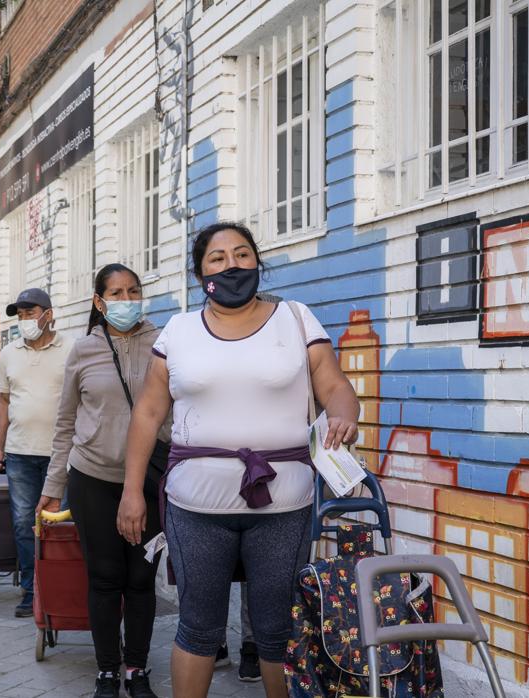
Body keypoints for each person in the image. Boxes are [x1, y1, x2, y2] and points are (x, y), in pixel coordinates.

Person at [115, 222, 360, 698]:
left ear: (257, 262)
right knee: (199, 629)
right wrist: (130, 491)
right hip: (195, 507)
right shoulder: (180, 331)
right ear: (200, 271)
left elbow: (333, 384)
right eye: (218, 258)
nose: (232, 265)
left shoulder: (295, 318)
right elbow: (147, 413)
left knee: (275, 631)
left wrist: (344, 415)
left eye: (242, 254)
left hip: (282, 508)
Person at [36, 264, 165, 698]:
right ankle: (108, 670)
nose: (126, 300)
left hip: (149, 480)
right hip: (93, 477)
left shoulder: (163, 344)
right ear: (99, 301)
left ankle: (137, 668)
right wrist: (52, 488)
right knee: (105, 577)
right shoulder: (84, 350)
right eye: (116, 292)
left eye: (133, 291)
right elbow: (65, 422)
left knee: (142, 579)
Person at [0, 287, 72, 617]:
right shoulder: (10, 353)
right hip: (20, 453)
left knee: (60, 523)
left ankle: (60, 588)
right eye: (20, 315)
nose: (24, 320)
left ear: (48, 314)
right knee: (24, 524)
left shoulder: (71, 348)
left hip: (61, 453)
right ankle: (30, 590)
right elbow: (4, 400)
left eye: (30, 313)